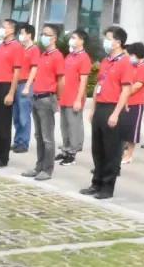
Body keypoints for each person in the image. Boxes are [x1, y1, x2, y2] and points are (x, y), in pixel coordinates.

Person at [81, 26, 134, 200]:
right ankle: (96, 182)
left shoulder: (125, 62)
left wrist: (116, 113)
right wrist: (93, 109)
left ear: (118, 42)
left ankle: (107, 187)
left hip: (113, 107)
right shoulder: (106, 61)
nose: (106, 42)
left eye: (109, 38)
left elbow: (126, 90)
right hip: (101, 107)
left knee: (112, 150)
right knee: (98, 149)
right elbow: (99, 84)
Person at [22, 24, 64, 180]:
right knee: (39, 136)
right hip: (37, 97)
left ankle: (47, 169)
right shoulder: (43, 55)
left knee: (47, 137)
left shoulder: (57, 56)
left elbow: (61, 80)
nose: (43, 37)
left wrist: (58, 99)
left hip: (47, 98)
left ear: (54, 38)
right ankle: (39, 166)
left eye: (47, 34)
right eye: (42, 34)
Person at [0, 19, 24, 168]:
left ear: (12, 30)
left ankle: (3, 157)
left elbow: (17, 71)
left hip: (6, 87)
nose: (1, 29)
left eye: (4, 27)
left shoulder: (16, 47)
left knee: (3, 123)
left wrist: (11, 93)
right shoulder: (1, 46)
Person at [59, 30, 91, 165]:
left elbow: (83, 81)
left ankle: (72, 153)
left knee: (73, 126)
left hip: (74, 97)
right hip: (64, 96)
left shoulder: (84, 58)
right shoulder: (70, 56)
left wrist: (78, 99)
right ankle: (65, 150)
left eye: (74, 37)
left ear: (81, 41)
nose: (71, 40)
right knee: (64, 125)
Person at [13, 24, 40, 154]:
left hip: (25, 84)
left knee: (24, 115)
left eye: (23, 33)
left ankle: (23, 143)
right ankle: (17, 140)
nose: (21, 35)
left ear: (29, 35)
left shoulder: (34, 49)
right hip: (16, 83)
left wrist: (28, 86)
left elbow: (34, 69)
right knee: (16, 115)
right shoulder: (20, 48)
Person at [121, 42, 144, 165]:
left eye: (130, 54)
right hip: (125, 101)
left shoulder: (143, 67)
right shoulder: (131, 66)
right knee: (124, 128)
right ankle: (122, 152)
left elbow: (138, 85)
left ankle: (129, 155)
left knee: (133, 130)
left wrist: (125, 93)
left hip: (136, 103)